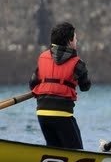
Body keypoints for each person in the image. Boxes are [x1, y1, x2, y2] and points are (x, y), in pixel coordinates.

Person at [29, 21, 91, 149]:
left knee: (53, 149)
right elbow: (85, 87)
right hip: (62, 114)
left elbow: (32, 83)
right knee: (76, 151)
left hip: (42, 112)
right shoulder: (78, 63)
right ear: (70, 41)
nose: (76, 40)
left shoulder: (43, 57)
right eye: (75, 38)